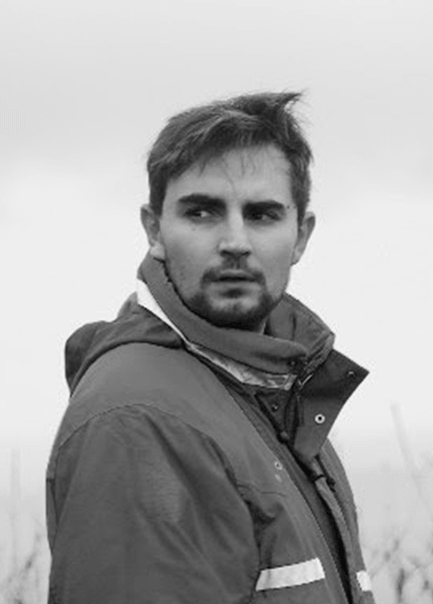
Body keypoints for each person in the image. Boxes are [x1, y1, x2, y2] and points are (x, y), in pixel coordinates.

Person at [46, 92, 375, 604]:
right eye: (202, 212)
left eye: (262, 214)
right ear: (154, 229)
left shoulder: (275, 389)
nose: (235, 241)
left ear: (301, 235)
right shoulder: (139, 419)